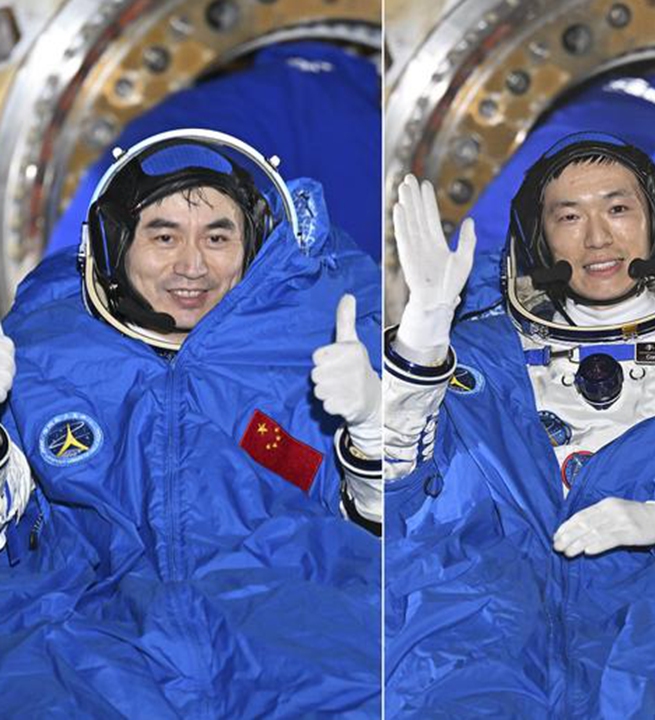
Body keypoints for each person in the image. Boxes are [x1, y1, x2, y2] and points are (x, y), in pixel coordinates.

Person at [385, 133, 655, 716]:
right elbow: (398, 496)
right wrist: (422, 339)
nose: (598, 237)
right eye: (569, 217)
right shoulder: (475, 361)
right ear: (539, 238)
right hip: (498, 628)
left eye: (618, 208)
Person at [0, 129, 382, 716]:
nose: (192, 265)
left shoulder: (323, 341)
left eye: (217, 237)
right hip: (89, 649)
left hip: (299, 641)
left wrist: (376, 430)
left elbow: (405, 535)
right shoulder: (43, 355)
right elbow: (18, 540)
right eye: (164, 236)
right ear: (114, 245)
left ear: (253, 243)